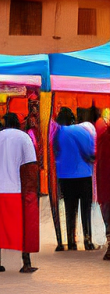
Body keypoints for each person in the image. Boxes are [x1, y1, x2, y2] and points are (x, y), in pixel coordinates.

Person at [0, 113, 39, 273]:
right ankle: (26, 262)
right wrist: (31, 191)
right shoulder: (24, 138)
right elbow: (31, 166)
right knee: (24, 225)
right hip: (16, 188)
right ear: (18, 123)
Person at [52, 107, 97, 251]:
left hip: (65, 176)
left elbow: (55, 152)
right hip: (85, 176)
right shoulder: (84, 131)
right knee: (86, 210)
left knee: (69, 209)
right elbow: (91, 152)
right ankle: (88, 240)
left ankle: (71, 241)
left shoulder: (57, 133)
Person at [97, 119, 110, 261]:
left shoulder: (103, 139)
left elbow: (99, 165)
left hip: (105, 189)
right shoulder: (103, 139)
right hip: (105, 188)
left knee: (108, 218)